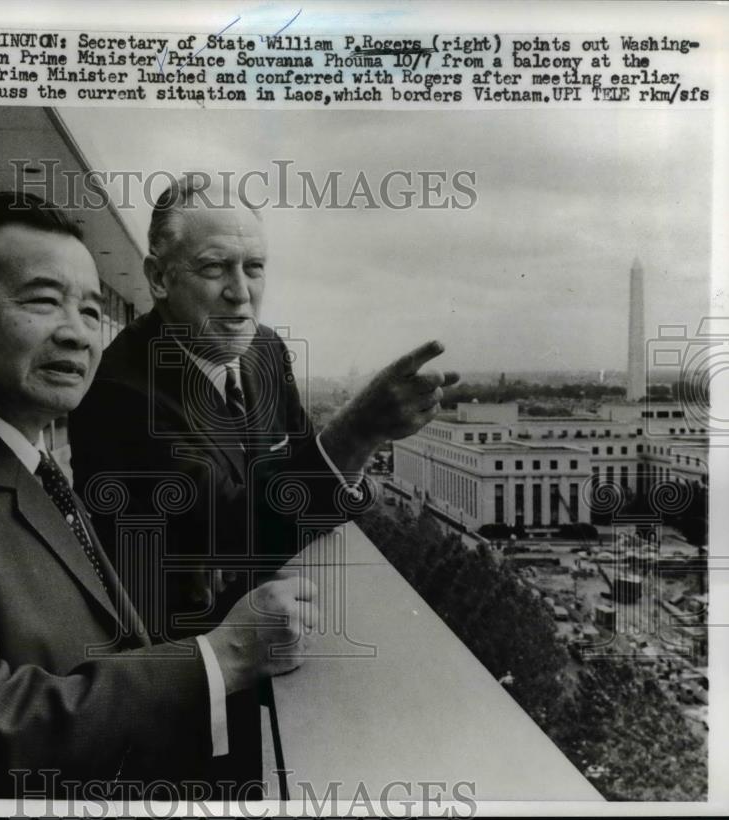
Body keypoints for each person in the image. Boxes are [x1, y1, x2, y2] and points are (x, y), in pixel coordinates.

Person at [0, 193, 319, 798]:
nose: (77, 333)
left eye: (92, 312)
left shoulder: (30, 463)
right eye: (43, 302)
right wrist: (220, 659)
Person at [68, 174, 457, 785]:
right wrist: (356, 434)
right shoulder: (119, 395)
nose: (240, 294)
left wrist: (352, 452)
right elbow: (226, 538)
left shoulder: (265, 352)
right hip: (185, 700)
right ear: (160, 277)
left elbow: (300, 464)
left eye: (255, 267)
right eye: (215, 267)